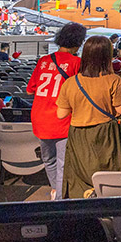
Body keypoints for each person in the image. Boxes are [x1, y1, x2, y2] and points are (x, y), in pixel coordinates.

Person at [55, 36, 121, 198]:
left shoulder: (70, 82)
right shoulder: (114, 81)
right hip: (107, 136)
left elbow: (61, 114)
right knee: (111, 179)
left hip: (78, 137)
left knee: (79, 182)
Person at [28, 22, 87, 200]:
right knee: (62, 162)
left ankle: (56, 191)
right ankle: (60, 200)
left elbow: (30, 89)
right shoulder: (77, 63)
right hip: (62, 119)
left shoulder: (43, 61)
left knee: (49, 160)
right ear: (78, 42)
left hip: (40, 117)